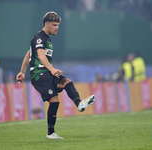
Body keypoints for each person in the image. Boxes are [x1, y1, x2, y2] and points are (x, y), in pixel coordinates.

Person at [16, 11, 95, 139]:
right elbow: (40, 55)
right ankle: (50, 133)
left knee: (66, 82)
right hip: (39, 74)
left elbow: (28, 54)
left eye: (58, 25)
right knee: (54, 99)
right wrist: (52, 69)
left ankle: (79, 104)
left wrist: (22, 72)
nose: (57, 27)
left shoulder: (47, 39)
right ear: (46, 24)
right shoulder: (39, 37)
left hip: (47, 73)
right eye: (54, 25)